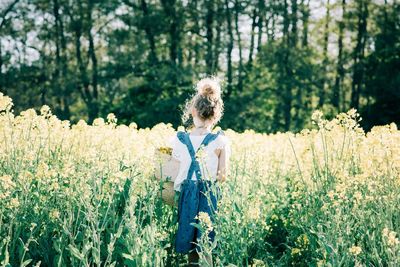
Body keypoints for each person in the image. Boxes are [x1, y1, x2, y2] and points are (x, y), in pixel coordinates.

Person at [168, 77, 231, 266]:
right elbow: (222, 176)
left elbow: (171, 173)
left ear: (193, 110)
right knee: (207, 243)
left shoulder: (178, 140)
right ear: (217, 113)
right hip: (209, 196)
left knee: (190, 242)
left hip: (187, 195)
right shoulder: (221, 141)